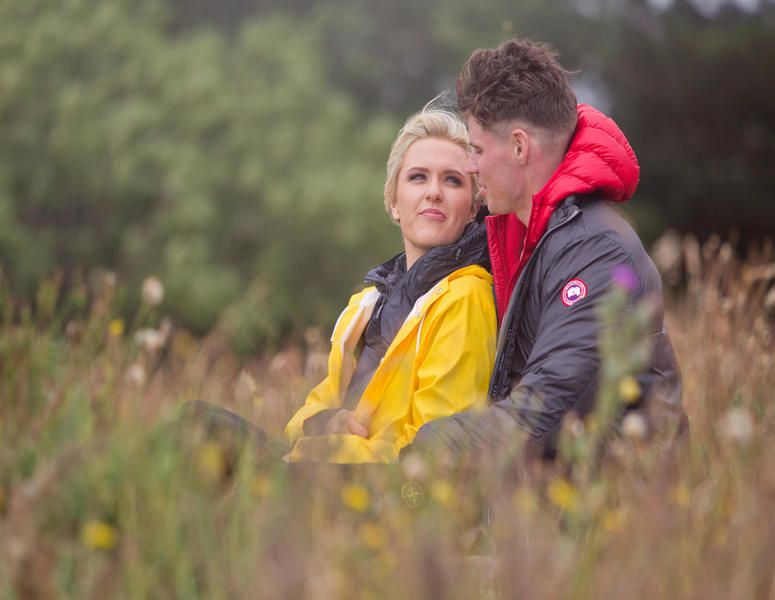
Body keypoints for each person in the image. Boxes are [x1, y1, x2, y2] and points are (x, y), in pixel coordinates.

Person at [408, 39, 685, 461]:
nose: (470, 166)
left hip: (618, 512)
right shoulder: (529, 237)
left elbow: (547, 411)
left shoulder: (594, 250)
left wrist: (420, 449)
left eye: (477, 150)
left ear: (519, 147)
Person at [190, 107, 497, 465]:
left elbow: (436, 447)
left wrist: (312, 454)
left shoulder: (467, 297)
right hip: (322, 468)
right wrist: (325, 422)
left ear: (474, 208)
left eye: (452, 180)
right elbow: (308, 413)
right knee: (195, 422)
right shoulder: (368, 303)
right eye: (417, 177)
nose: (433, 192)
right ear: (394, 202)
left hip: (388, 488)